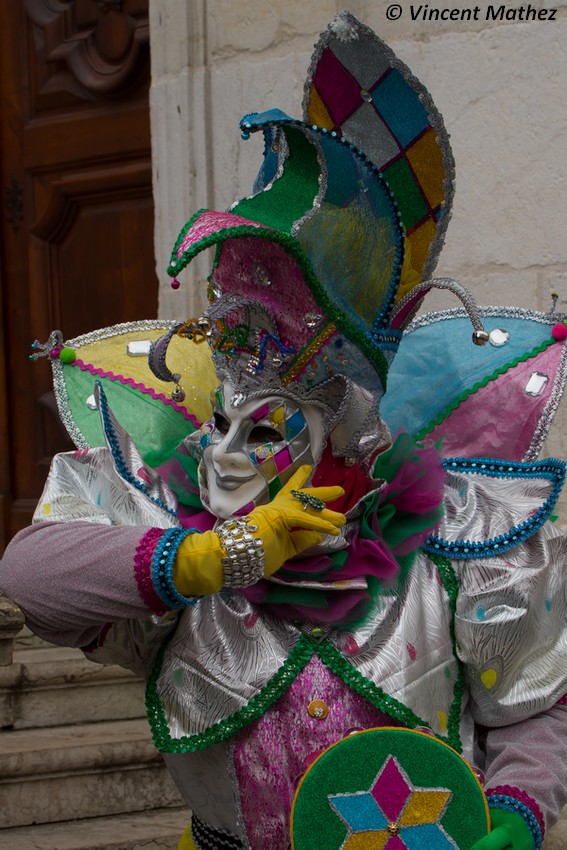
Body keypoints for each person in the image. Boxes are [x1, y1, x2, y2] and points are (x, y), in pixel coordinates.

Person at [2, 12, 567, 850]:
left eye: (263, 433)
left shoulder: (458, 536)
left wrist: (516, 819)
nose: (219, 454)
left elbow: (529, 711)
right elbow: (31, 578)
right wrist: (215, 555)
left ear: (341, 437)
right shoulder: (174, 530)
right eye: (220, 421)